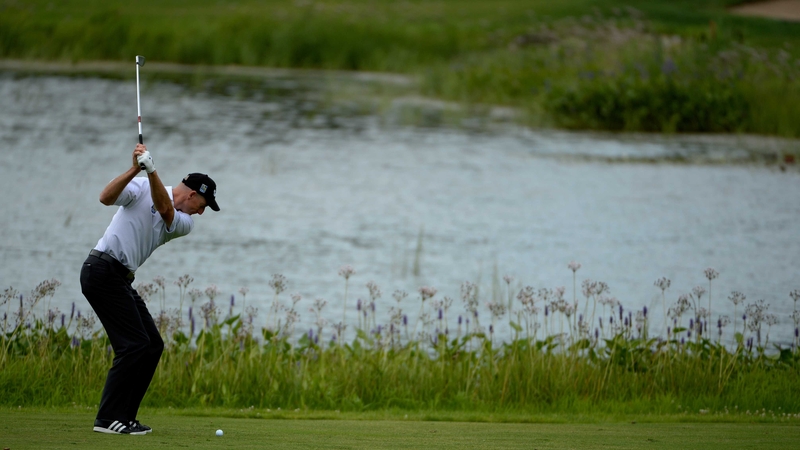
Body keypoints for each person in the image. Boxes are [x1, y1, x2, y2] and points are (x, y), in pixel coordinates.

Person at [80, 143, 219, 435]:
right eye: (203, 206)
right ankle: (107, 419)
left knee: (152, 345)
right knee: (133, 345)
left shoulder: (184, 223)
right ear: (193, 195)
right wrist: (135, 169)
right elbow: (105, 198)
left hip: (119, 277)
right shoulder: (141, 186)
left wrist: (151, 170)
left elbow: (165, 209)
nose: (201, 213)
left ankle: (125, 417)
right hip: (101, 270)